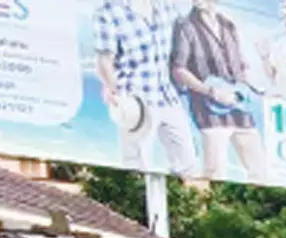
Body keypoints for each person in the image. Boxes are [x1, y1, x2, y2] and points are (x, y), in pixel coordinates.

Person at [93, 0, 198, 174]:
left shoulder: (166, 6)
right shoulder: (109, 11)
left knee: (187, 160)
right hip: (135, 99)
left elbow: (187, 25)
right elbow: (104, 58)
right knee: (137, 164)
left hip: (166, 94)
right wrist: (110, 87)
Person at [170, 0, 267, 181]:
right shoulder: (185, 25)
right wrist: (211, 92)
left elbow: (241, 65)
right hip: (210, 110)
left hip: (240, 108)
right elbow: (178, 70)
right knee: (215, 173)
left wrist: (251, 89)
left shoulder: (228, 25)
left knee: (259, 170)